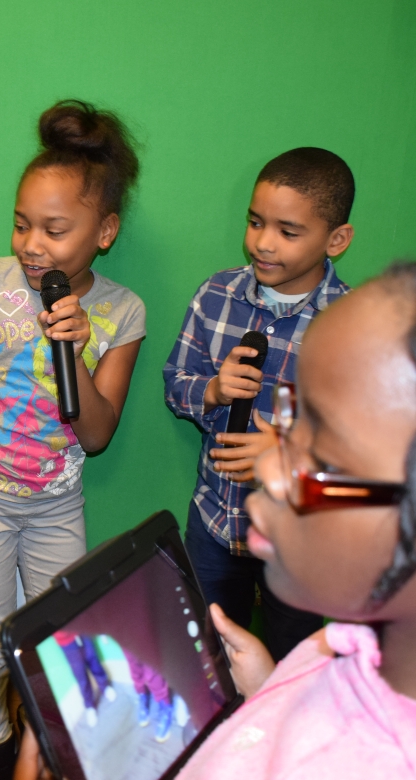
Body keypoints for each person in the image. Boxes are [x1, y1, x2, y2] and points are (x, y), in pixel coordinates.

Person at [21, 224, 416, 780]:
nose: (271, 468)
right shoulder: (375, 653)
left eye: (323, 457)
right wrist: (279, 687)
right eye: (287, 422)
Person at [0, 100, 147, 780]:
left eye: (55, 228)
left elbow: (98, 432)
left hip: (54, 504)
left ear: (104, 231)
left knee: (60, 638)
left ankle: (49, 770)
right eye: (22, 223)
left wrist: (73, 347)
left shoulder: (122, 312)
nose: (32, 244)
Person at [163, 147, 355, 661]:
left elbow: (361, 445)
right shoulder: (216, 295)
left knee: (293, 667)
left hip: (298, 546)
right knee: (207, 660)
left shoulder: (352, 324)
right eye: (255, 222)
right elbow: (175, 381)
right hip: (214, 524)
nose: (264, 243)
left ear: (336, 239)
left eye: (288, 232)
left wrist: (288, 449)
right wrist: (212, 390)